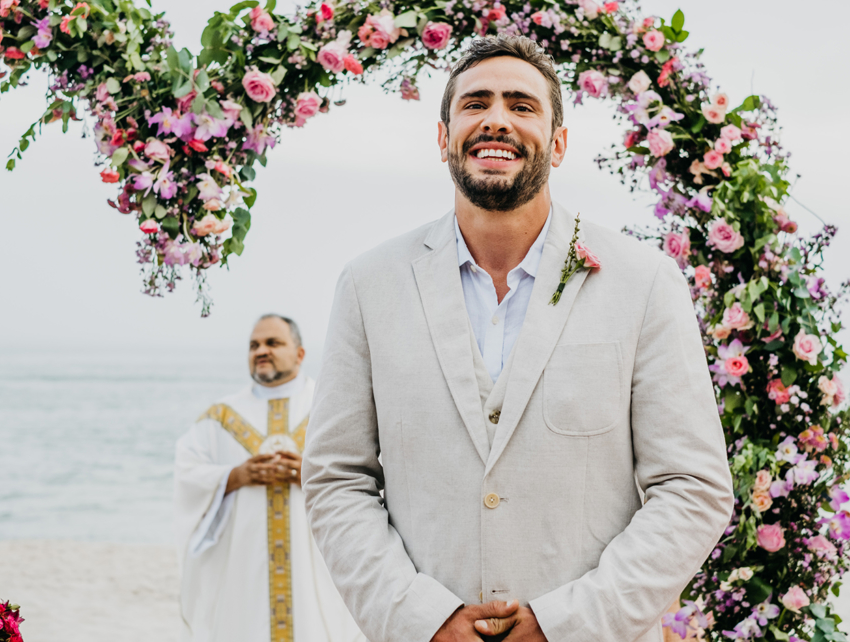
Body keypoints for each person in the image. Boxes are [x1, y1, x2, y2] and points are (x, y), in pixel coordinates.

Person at [302, 35, 734, 642]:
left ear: (558, 143)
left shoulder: (645, 282)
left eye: (522, 105)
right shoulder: (369, 285)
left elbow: (693, 486)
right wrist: (418, 619)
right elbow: (336, 477)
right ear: (443, 137)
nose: (496, 120)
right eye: (475, 103)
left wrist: (567, 624)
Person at [174, 315, 363, 642]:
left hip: (317, 564)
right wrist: (234, 476)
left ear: (300, 354)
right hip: (244, 567)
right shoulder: (221, 416)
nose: (261, 351)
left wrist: (314, 475)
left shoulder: (331, 407)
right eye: (254, 345)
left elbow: (369, 471)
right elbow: (187, 473)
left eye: (272, 343)